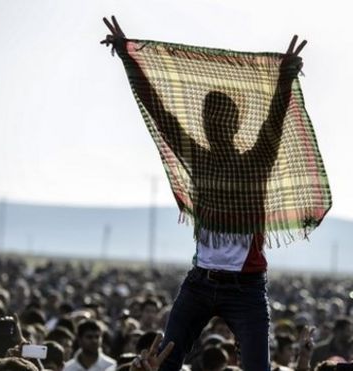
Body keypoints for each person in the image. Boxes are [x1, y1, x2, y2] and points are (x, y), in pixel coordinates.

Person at [101, 15, 307, 371]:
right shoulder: (199, 160)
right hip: (199, 282)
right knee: (162, 363)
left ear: (233, 124)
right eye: (207, 119)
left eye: (219, 119)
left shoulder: (256, 162)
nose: (211, 126)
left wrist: (285, 76)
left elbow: (275, 120)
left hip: (247, 288)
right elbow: (160, 114)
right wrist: (127, 56)